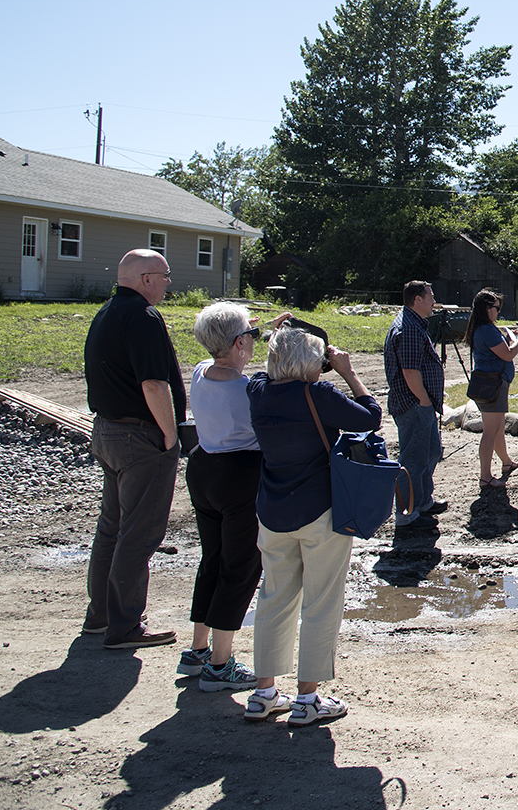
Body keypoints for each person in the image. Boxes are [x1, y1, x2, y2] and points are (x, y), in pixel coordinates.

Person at [245, 328, 381, 725]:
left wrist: (280, 336)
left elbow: (260, 373)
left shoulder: (258, 392)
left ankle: (263, 692)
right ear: (312, 363)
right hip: (320, 510)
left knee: (273, 599)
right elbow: (370, 417)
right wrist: (347, 372)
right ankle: (307, 699)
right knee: (321, 602)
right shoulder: (317, 396)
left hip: (272, 510)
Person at [180, 302, 292, 691]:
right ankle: (220, 663)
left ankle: (197, 649)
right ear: (241, 342)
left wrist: (250, 333)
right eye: (250, 335)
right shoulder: (249, 390)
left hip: (204, 469)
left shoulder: (200, 372)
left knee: (212, 559)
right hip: (240, 476)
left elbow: (229, 356)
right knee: (241, 565)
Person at [82, 249, 186, 649]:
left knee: (112, 527)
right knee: (139, 532)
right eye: (164, 275)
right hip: (139, 437)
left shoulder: (106, 311)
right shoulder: (143, 317)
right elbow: (153, 385)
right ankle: (125, 626)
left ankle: (102, 616)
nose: (168, 282)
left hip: (107, 432)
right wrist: (170, 436)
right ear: (145, 278)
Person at [384, 280, 447, 529]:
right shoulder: (408, 328)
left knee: (429, 452)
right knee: (413, 460)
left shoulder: (414, 323)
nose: (434, 301)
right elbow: (410, 371)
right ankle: (407, 514)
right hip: (413, 404)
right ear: (417, 300)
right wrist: (423, 400)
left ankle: (422, 502)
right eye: (430, 296)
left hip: (421, 404)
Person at [465, 288, 518, 491]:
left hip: (491, 383)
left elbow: (500, 350)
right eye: (496, 308)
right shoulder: (486, 330)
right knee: (491, 432)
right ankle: (485, 476)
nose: (498, 311)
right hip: (493, 385)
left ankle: (506, 462)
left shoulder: (482, 328)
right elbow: (507, 355)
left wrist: (511, 339)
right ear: (487, 308)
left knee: (498, 429)